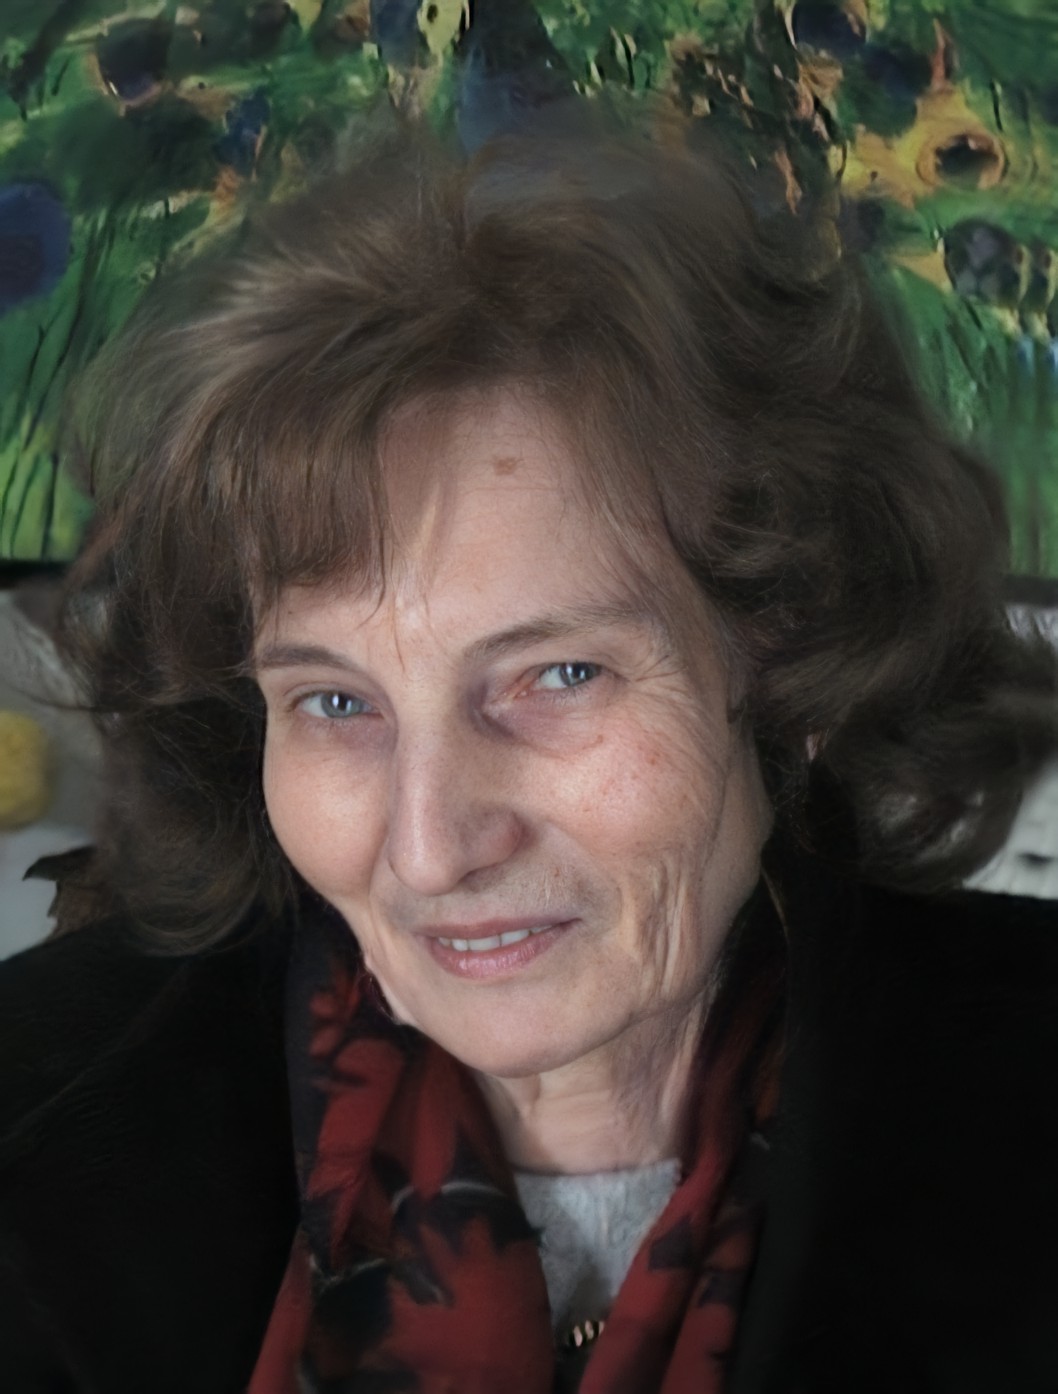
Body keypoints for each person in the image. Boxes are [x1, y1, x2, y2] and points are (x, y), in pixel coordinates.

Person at [1, 124, 1057, 1394]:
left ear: (791, 666)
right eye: (333, 699)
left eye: (557, 675)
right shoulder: (32, 1103)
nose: (429, 846)